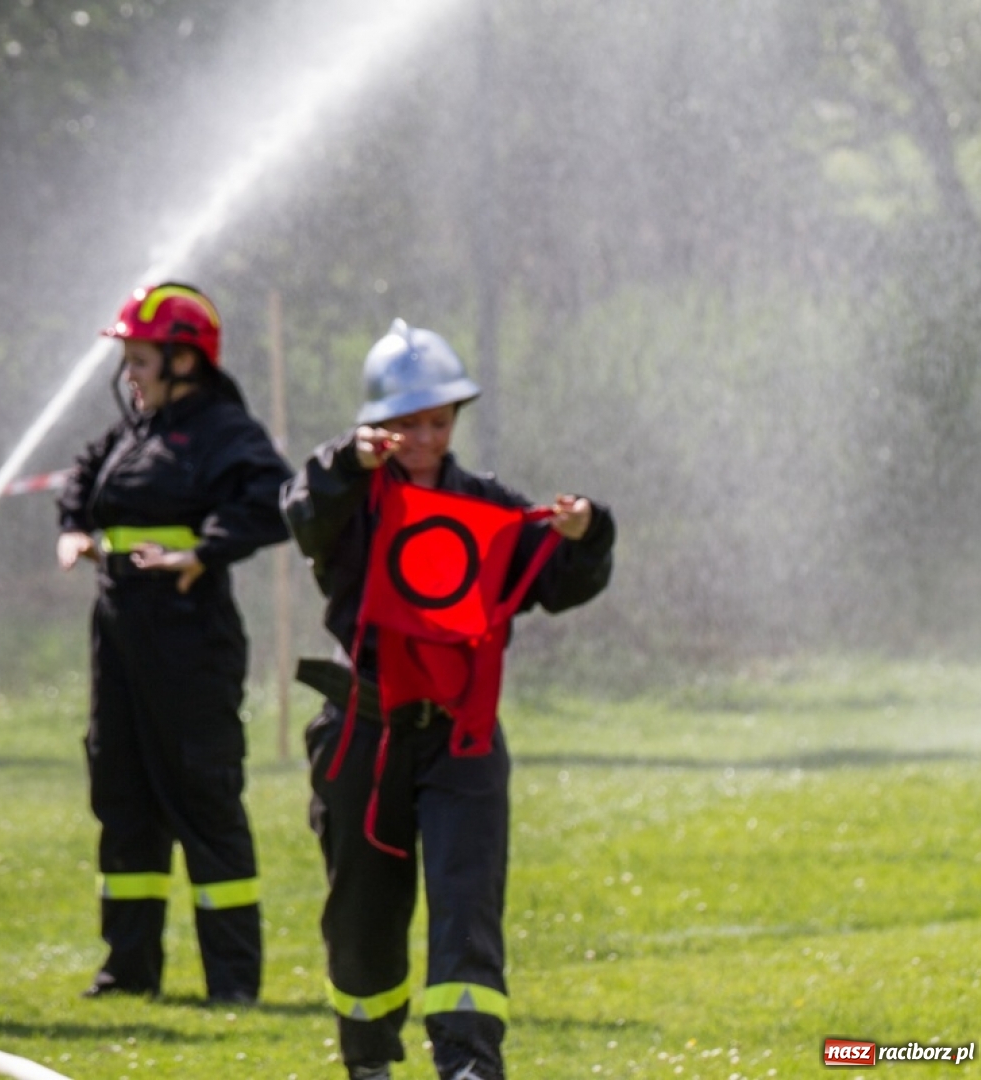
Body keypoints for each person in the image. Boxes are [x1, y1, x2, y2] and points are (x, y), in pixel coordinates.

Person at [281, 319, 615, 1080]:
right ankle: (369, 1059)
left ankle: (469, 1063)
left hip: (461, 739)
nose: (424, 439)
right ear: (376, 426)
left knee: (467, 906)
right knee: (362, 913)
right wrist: (348, 461)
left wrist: (589, 531)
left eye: (438, 422)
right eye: (406, 425)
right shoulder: (347, 498)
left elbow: (556, 581)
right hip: (363, 732)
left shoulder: (489, 505)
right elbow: (302, 513)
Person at [56, 282, 292, 1004]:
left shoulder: (223, 430)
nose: (130, 373)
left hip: (189, 635)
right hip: (119, 629)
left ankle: (233, 982)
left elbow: (275, 499)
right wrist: (74, 528)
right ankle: (128, 971)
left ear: (184, 360)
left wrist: (205, 551)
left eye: (141, 358)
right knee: (122, 789)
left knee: (202, 790)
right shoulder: (137, 431)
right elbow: (82, 475)